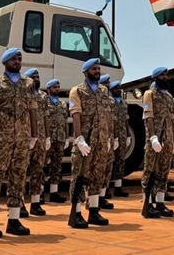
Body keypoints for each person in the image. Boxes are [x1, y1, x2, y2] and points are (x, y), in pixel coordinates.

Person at [0, 47, 39, 238]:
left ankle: (14, 220)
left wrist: (34, 135)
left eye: (19, 59)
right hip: (1, 139)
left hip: (22, 138)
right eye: (14, 59)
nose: (17, 62)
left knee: (18, 177)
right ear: (5, 62)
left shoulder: (28, 83)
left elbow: (32, 110)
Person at [67, 58, 114, 228]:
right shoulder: (77, 91)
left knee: (97, 175)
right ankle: (77, 212)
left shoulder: (103, 91)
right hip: (85, 142)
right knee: (79, 176)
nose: (97, 71)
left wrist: (109, 137)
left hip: (101, 141)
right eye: (94, 69)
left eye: (98, 68)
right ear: (86, 72)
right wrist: (78, 138)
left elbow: (107, 116)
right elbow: (76, 115)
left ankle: (93, 211)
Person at [141, 67, 174, 218]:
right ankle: (147, 203)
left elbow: (173, 118)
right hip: (155, 140)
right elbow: (148, 117)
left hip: (167, 140)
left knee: (163, 172)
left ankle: (160, 203)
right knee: (150, 171)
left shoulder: (168, 96)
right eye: (162, 75)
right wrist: (153, 137)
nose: (165, 77)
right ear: (155, 77)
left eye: (166, 75)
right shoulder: (149, 94)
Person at [22, 68, 50, 217]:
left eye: (38, 76)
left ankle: (35, 203)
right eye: (33, 77)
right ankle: (19, 203)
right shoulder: (23, 94)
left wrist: (47, 137)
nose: (37, 79)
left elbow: (46, 117)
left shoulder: (43, 96)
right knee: (20, 171)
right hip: (25, 137)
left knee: (38, 171)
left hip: (40, 138)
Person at [45, 78, 70, 203]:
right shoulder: (45, 102)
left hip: (59, 138)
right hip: (48, 139)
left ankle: (54, 193)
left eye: (58, 87)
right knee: (42, 165)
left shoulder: (62, 104)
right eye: (55, 87)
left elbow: (65, 121)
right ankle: (38, 193)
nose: (57, 89)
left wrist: (66, 137)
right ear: (49, 89)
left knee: (56, 166)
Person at [107, 80, 130, 199]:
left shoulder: (123, 103)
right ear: (110, 90)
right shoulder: (109, 102)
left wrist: (128, 135)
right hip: (111, 135)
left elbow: (126, 119)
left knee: (120, 160)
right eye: (116, 88)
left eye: (119, 88)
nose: (118, 90)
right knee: (109, 161)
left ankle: (118, 186)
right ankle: (105, 188)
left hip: (122, 135)